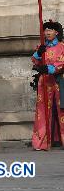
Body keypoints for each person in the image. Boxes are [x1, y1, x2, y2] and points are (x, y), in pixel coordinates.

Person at [31, 20, 64, 150]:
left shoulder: (62, 46)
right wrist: (38, 54)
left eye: (50, 30)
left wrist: (50, 68)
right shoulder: (42, 46)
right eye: (46, 30)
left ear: (56, 32)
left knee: (62, 110)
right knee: (42, 110)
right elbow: (34, 61)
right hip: (44, 81)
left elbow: (62, 63)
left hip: (59, 80)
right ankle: (42, 141)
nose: (47, 32)